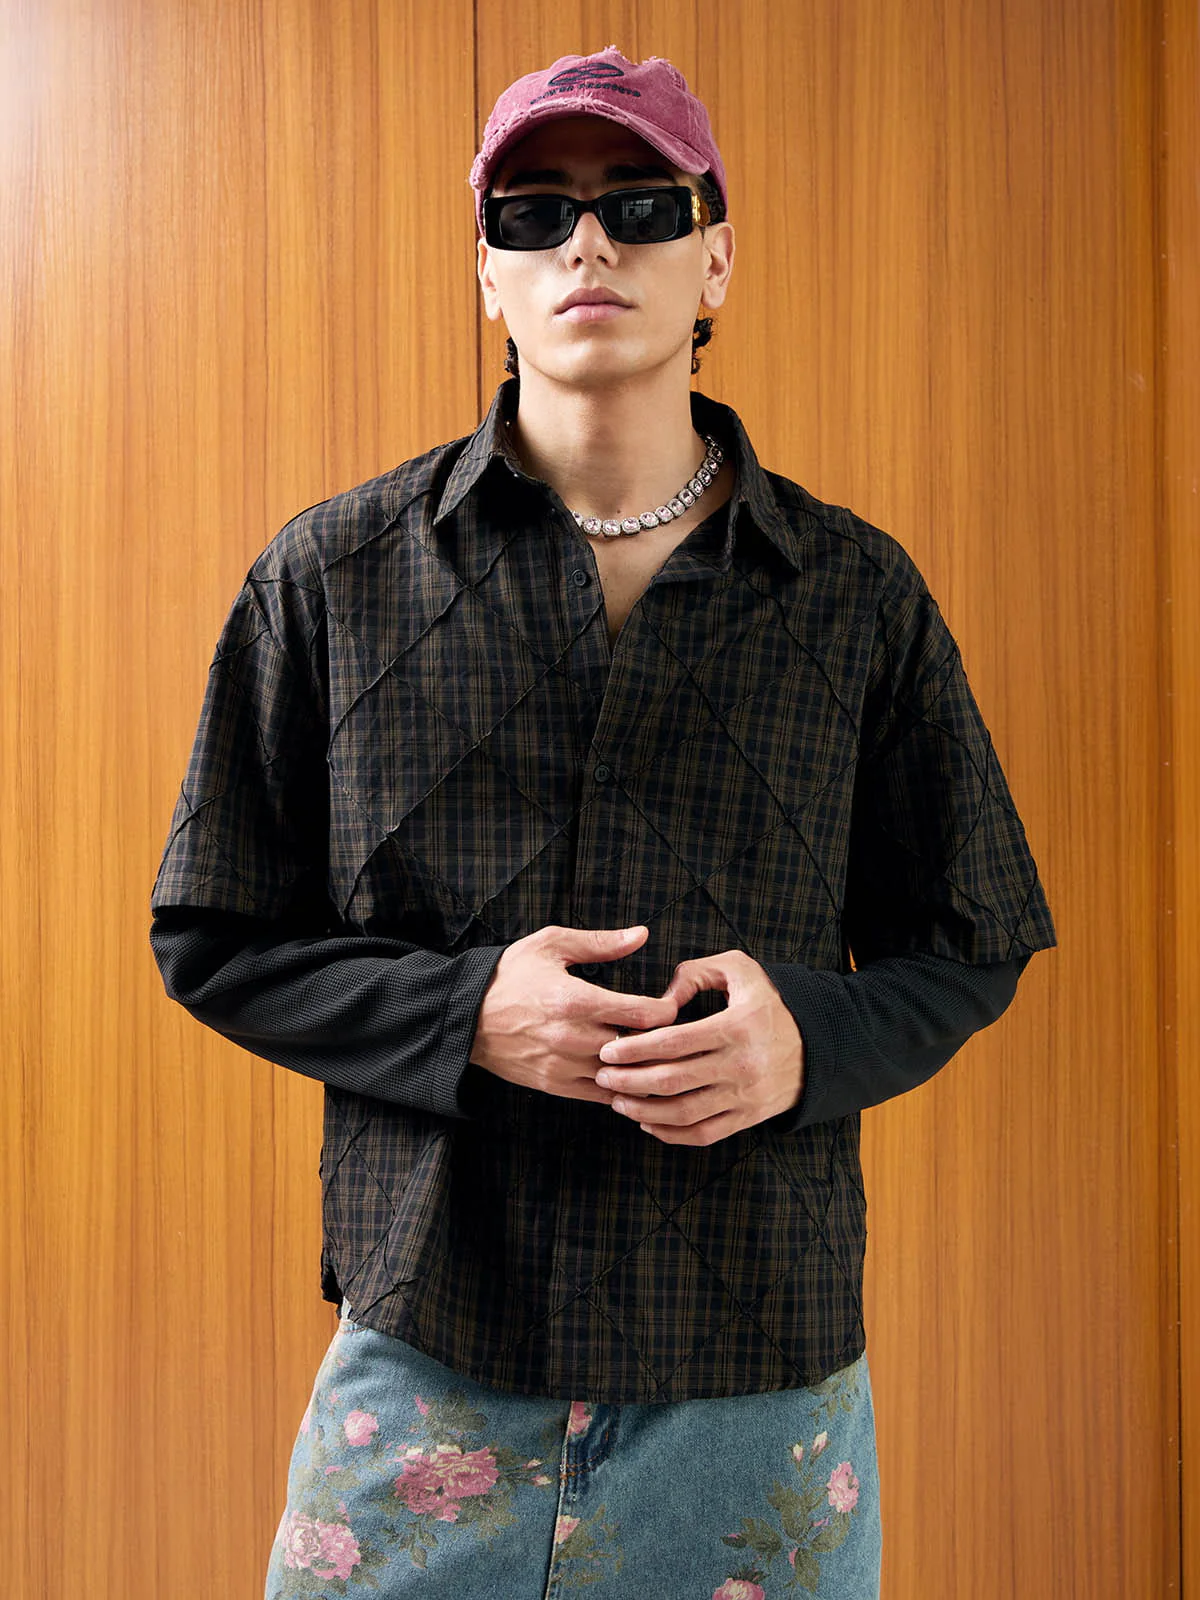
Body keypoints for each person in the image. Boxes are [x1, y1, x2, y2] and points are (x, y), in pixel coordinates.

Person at [149, 45, 1056, 1600]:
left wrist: (808, 1043)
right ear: (487, 273)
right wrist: (465, 1015)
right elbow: (213, 937)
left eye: (641, 205)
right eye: (535, 214)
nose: (588, 244)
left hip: (753, 1371)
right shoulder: (330, 579)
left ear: (716, 260)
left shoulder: (855, 595)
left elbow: (971, 939)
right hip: (430, 1355)